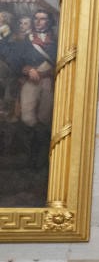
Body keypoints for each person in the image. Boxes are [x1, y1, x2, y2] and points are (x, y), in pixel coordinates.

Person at [17, 10, 58, 167]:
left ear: (49, 22)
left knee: (45, 118)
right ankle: (32, 152)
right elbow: (16, 62)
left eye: (43, 19)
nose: (39, 22)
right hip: (30, 82)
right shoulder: (25, 40)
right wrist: (28, 70)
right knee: (27, 118)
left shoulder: (56, 41)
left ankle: (37, 157)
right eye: (36, 19)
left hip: (48, 82)